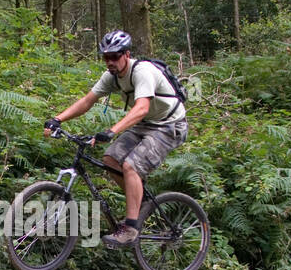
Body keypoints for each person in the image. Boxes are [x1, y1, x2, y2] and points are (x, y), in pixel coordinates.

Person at [44, 29, 187, 248]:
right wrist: (58, 119)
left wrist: (112, 130)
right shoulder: (111, 76)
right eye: (106, 57)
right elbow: (87, 101)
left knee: (131, 165)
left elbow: (141, 108)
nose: (110, 61)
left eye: (115, 56)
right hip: (146, 124)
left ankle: (130, 228)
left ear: (126, 55)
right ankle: (142, 202)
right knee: (110, 160)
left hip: (169, 126)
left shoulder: (142, 72)